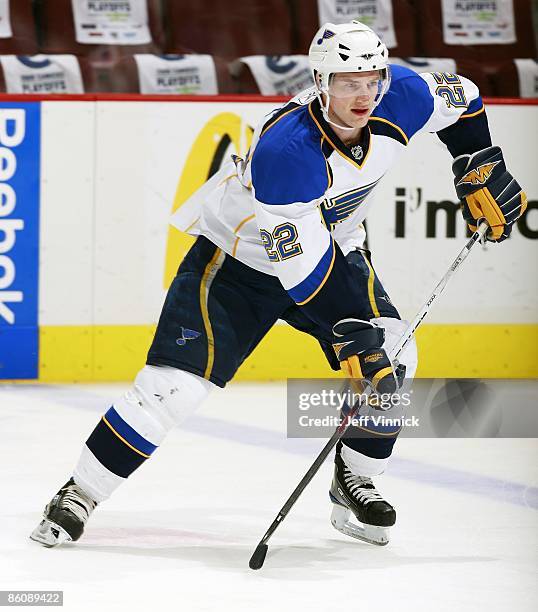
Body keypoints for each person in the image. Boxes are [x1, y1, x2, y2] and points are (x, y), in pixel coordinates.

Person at [31, 21, 527, 548]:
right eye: (346, 82)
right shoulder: (287, 153)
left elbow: (465, 99)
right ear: (320, 80)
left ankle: (355, 479)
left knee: (397, 360)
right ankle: (79, 492)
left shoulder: (400, 94)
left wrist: (478, 163)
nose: (362, 95)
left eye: (370, 79)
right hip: (238, 263)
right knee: (169, 390)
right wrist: (354, 338)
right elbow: (304, 270)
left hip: (336, 251)